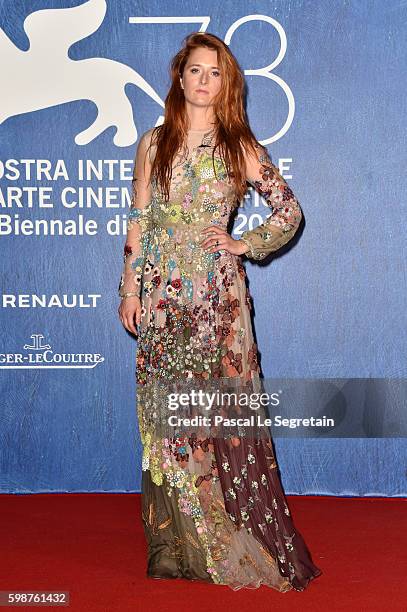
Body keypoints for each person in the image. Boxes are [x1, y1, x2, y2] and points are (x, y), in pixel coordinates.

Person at [118, 32, 322, 592]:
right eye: (195, 70)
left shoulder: (241, 146)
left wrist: (243, 243)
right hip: (161, 299)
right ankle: (177, 547)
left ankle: (220, 541)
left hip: (216, 301)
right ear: (179, 77)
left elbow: (289, 211)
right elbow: (139, 222)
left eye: (215, 72)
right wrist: (129, 290)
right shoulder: (152, 143)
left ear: (225, 83)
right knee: (166, 419)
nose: (204, 80)